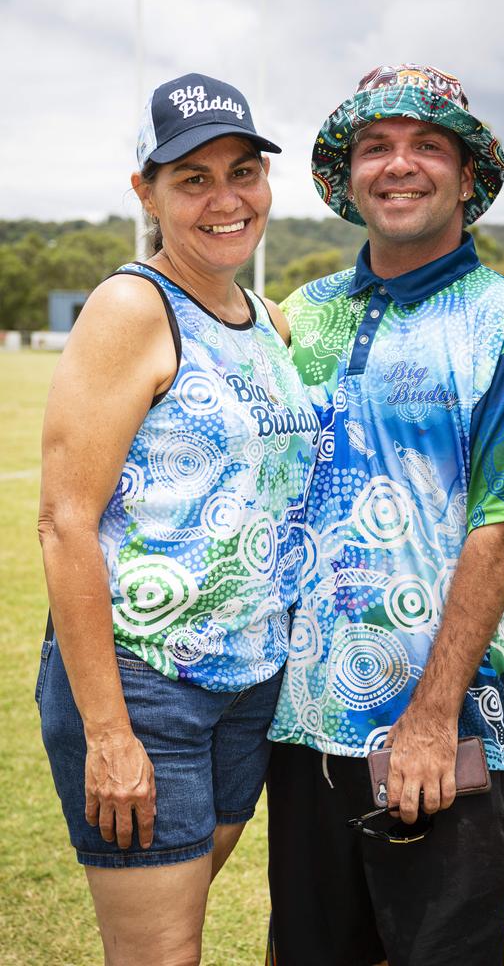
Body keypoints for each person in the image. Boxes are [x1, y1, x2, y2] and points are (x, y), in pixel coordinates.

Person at [266, 64, 504, 966]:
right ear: (350, 173)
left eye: (426, 146)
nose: (398, 165)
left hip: (440, 731)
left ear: (466, 176)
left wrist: (432, 717)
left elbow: (502, 527)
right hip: (298, 730)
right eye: (376, 146)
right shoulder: (303, 314)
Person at [36, 72, 319, 966]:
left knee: (177, 933)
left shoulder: (264, 321)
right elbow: (64, 523)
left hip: (248, 687)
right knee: (160, 953)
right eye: (192, 179)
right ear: (146, 192)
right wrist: (111, 735)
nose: (226, 199)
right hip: (146, 683)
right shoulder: (133, 306)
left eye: (243, 171)